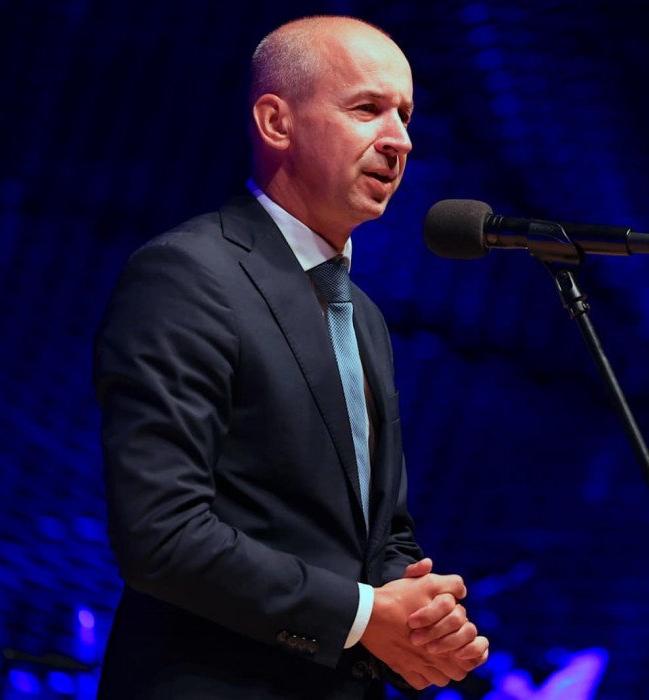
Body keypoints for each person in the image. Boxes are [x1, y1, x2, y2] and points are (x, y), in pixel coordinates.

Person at [93, 15, 488, 699]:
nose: (399, 138)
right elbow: (161, 535)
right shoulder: (187, 275)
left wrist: (418, 617)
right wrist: (363, 616)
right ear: (277, 122)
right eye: (367, 109)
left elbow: (377, 533)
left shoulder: (362, 314)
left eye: (404, 115)